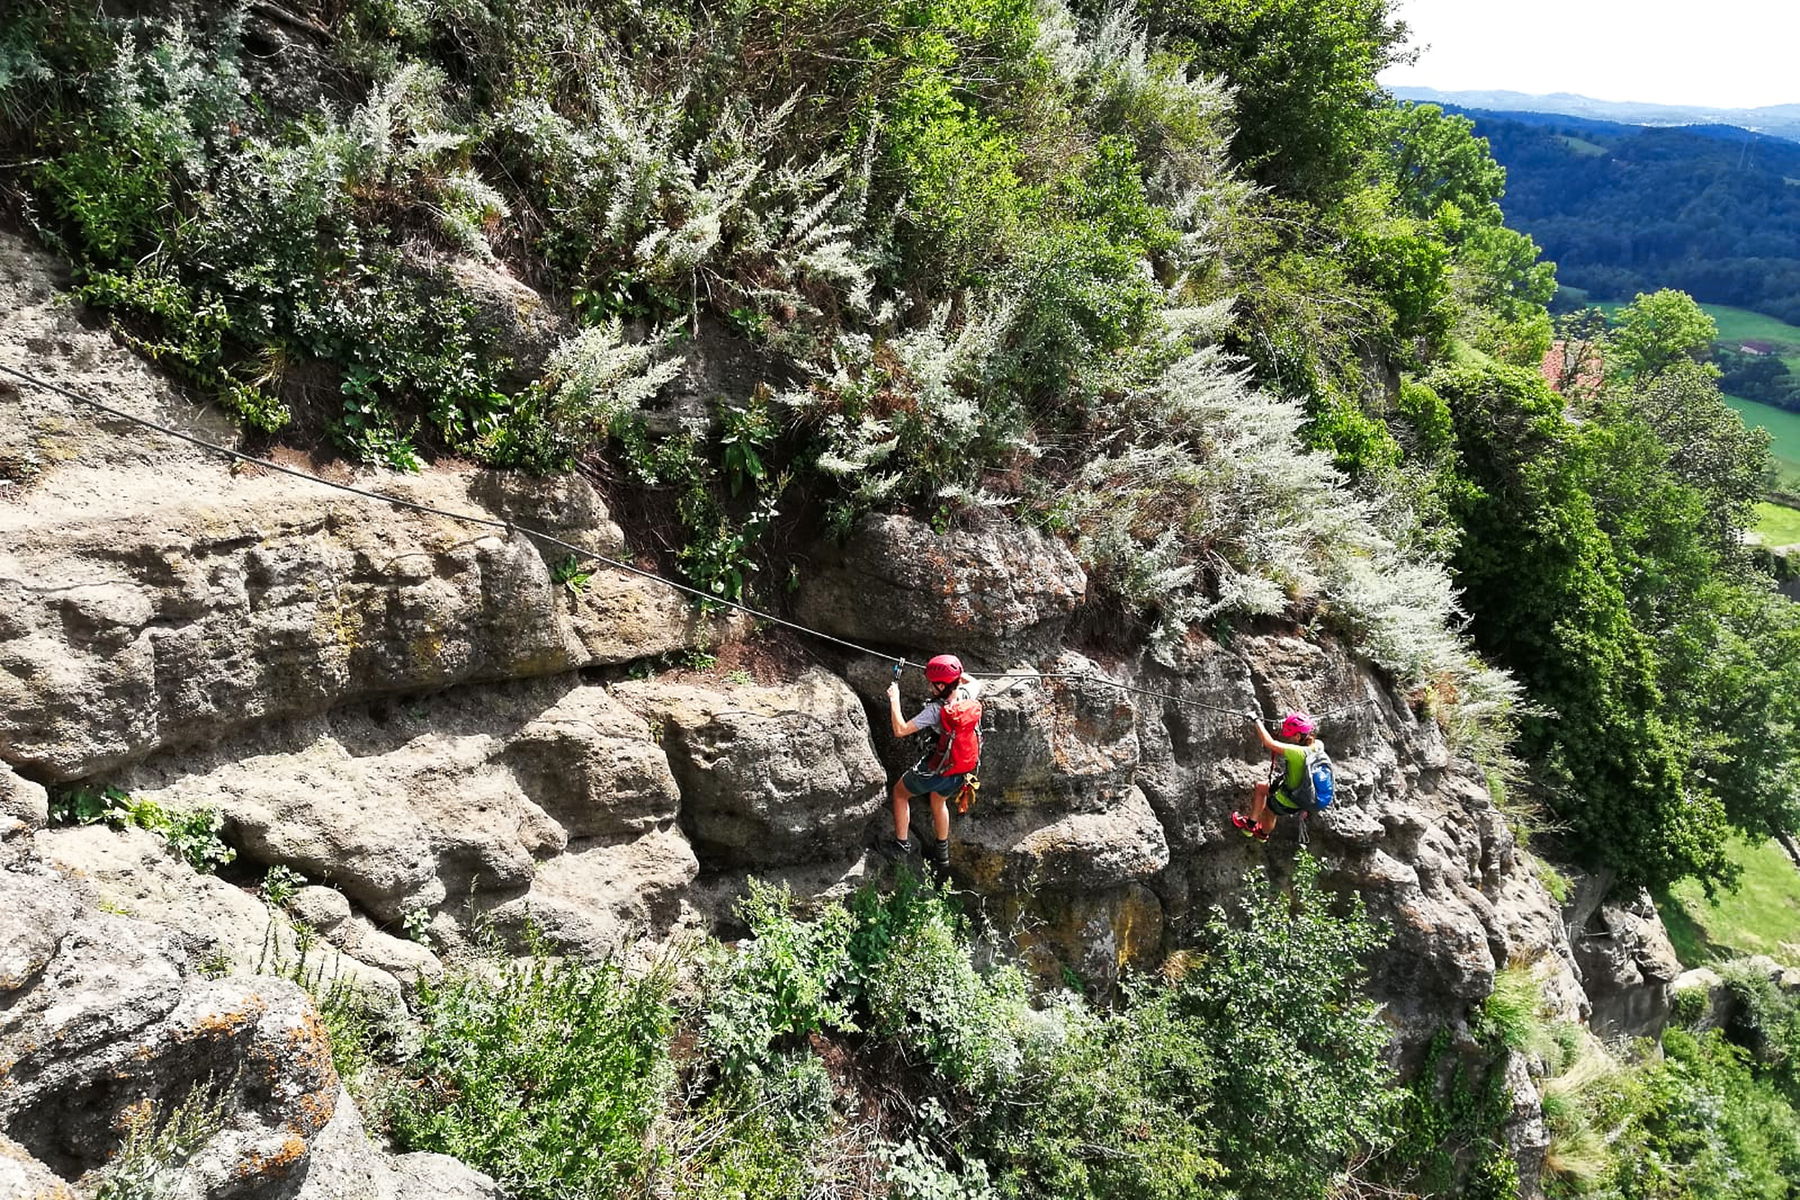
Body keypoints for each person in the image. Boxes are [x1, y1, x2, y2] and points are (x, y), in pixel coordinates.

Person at [879, 653, 982, 873]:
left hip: (936, 768)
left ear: (943, 685)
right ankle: (942, 856)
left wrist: (894, 700)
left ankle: (900, 846)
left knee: (900, 793)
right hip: (959, 769)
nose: (930, 687)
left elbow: (900, 730)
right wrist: (954, 675)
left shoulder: (936, 710)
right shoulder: (966, 693)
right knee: (938, 801)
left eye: (933, 684)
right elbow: (975, 681)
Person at [1231, 712, 1320, 841]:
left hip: (1288, 799)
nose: (1289, 738)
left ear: (1298, 735)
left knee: (1271, 810)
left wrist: (1256, 720)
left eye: (1292, 735)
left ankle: (1261, 832)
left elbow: (1269, 743)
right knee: (1261, 787)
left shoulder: (1297, 753)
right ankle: (1254, 827)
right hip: (1304, 795)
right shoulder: (1318, 746)